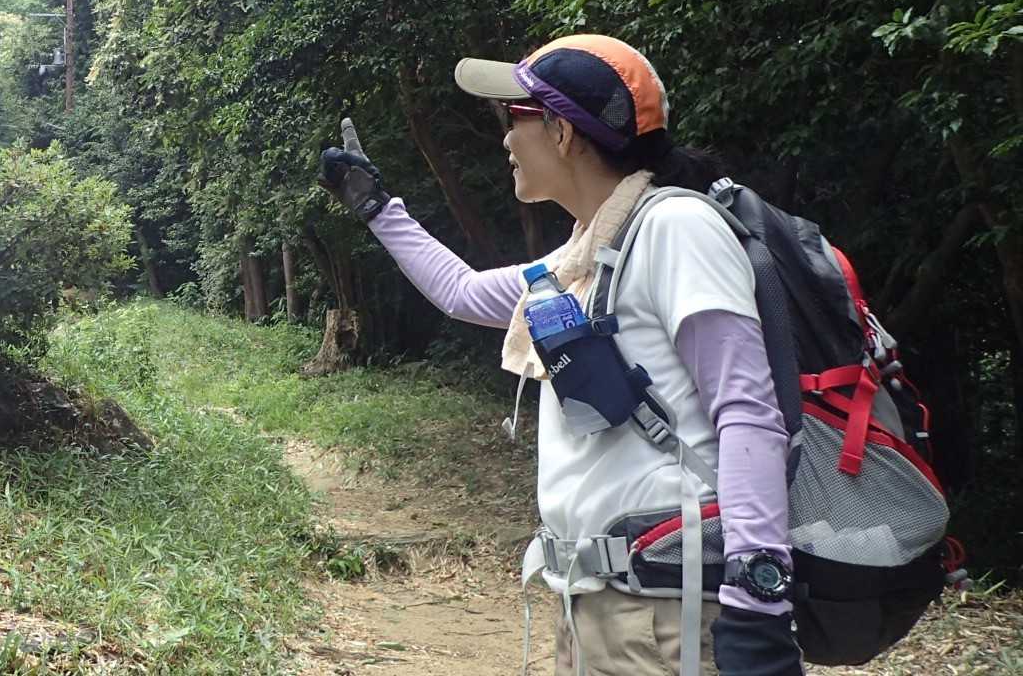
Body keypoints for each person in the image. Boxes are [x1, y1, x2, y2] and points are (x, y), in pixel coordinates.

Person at [317, 35, 801, 676]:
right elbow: (462, 292)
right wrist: (378, 209)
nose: (506, 140)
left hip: (664, 615)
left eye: (513, 119)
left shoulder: (677, 229)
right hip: (594, 603)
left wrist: (759, 598)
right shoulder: (585, 259)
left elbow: (747, 411)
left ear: (563, 132)